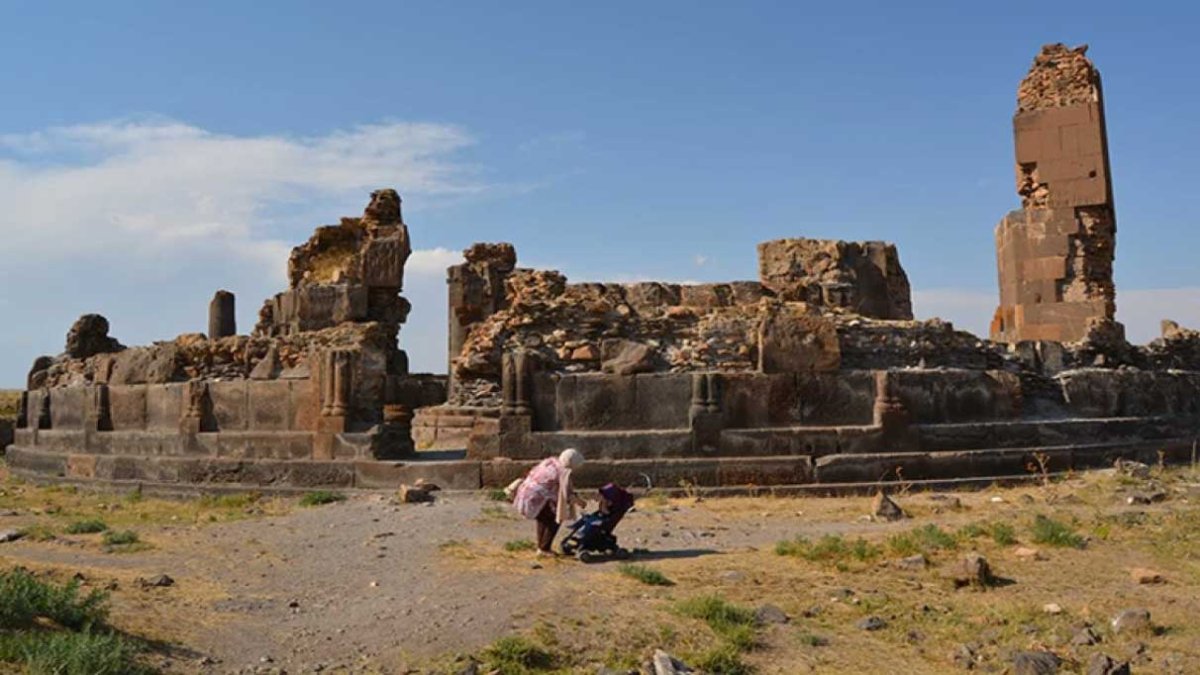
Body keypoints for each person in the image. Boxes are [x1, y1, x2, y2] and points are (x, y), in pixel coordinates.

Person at [512, 448, 587, 556]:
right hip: (539, 497)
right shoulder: (563, 472)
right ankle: (544, 548)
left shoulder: (551, 462)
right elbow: (566, 493)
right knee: (555, 520)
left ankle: (541, 546)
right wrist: (580, 502)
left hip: (529, 494)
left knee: (543, 519)